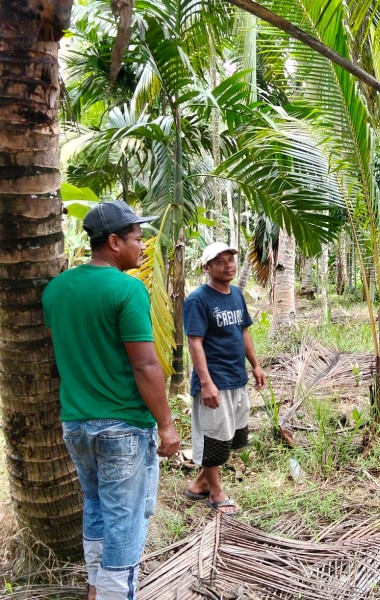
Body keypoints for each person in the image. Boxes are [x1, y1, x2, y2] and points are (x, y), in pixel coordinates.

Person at [42, 201, 181, 600]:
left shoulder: (56, 290)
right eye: (137, 239)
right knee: (125, 519)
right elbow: (146, 366)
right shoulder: (126, 289)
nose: (142, 247)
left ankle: (95, 589)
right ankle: (115, 594)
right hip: (121, 425)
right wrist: (167, 426)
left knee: (97, 507)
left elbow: (63, 350)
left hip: (76, 424)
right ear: (114, 241)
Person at [182, 242, 266, 515]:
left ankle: (199, 485)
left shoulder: (237, 295)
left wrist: (255, 365)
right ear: (207, 268)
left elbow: (244, 332)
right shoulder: (198, 300)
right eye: (220, 261)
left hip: (236, 377)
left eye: (231, 259)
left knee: (231, 436)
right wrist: (206, 383)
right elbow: (194, 343)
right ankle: (215, 493)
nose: (228, 264)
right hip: (214, 380)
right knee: (215, 437)